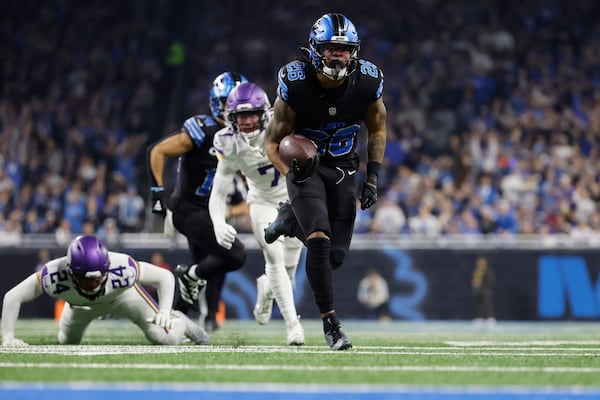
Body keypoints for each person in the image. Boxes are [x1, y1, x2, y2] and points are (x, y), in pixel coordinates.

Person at [264, 13, 387, 350]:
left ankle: (290, 222)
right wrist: (291, 172)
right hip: (307, 169)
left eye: (344, 49)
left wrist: (372, 177)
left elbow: (377, 128)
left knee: (334, 256)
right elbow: (271, 144)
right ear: (316, 49)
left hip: (344, 167)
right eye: (331, 48)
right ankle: (331, 325)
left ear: (354, 52)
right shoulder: (297, 80)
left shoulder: (366, 81)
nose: (338, 55)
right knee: (318, 238)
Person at [147, 72, 249, 332]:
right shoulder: (202, 130)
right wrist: (158, 191)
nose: (234, 108)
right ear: (218, 102)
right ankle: (187, 279)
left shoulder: (240, 134)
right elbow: (158, 151)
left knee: (210, 265)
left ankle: (175, 317)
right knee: (234, 254)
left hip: (209, 212)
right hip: (189, 209)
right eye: (229, 102)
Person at [209, 82, 305, 345]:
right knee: (274, 257)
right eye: (241, 116)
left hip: (294, 198)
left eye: (252, 114)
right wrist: (218, 223)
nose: (248, 121)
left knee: (289, 271)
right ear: (232, 118)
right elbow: (219, 190)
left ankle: (266, 288)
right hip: (261, 200)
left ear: (264, 112)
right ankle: (293, 326)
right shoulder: (227, 142)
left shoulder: (284, 123)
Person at [1, 235, 208, 346]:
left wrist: (163, 311)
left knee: (166, 338)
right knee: (66, 341)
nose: (94, 284)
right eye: (87, 280)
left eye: (98, 277)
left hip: (123, 297)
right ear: (71, 272)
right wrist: (8, 337)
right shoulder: (54, 276)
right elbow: (12, 296)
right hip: (80, 306)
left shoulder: (123, 268)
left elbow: (164, 277)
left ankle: (178, 319)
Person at [472, 256, 495, 323]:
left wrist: (482, 282)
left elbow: (490, 281)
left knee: (487, 305)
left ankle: (490, 317)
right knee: (478, 305)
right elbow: (475, 281)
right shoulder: (476, 271)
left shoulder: (488, 271)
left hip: (485, 291)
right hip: (478, 291)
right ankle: (479, 317)